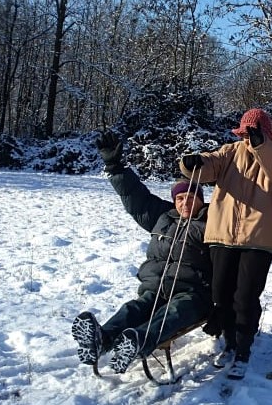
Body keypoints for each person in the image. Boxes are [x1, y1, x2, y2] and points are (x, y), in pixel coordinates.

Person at [71, 131, 212, 375]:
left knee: (173, 313)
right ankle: (101, 339)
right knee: (134, 308)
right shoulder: (163, 218)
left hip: (192, 294)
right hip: (156, 288)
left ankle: (136, 341)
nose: (185, 203)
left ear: (200, 199)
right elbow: (136, 198)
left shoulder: (212, 223)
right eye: (180, 198)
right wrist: (114, 166)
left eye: (190, 197)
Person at [179, 108, 272, 380]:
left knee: (245, 296)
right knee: (221, 292)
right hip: (223, 235)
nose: (247, 137)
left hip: (258, 239)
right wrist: (192, 162)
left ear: (266, 132)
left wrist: (261, 146)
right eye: (244, 132)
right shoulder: (229, 151)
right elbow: (209, 165)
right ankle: (229, 341)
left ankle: (243, 348)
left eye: (252, 131)